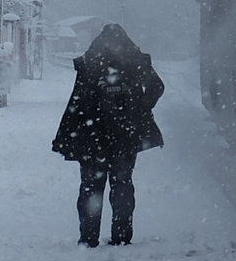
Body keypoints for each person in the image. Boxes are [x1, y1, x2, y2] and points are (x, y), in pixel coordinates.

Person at [52, 24, 164, 246]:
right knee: (122, 184)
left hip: (92, 135)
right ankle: (121, 237)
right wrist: (140, 108)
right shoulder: (135, 61)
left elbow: (79, 98)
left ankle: (88, 237)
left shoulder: (91, 61)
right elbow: (157, 87)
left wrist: (75, 127)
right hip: (126, 134)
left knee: (91, 187)